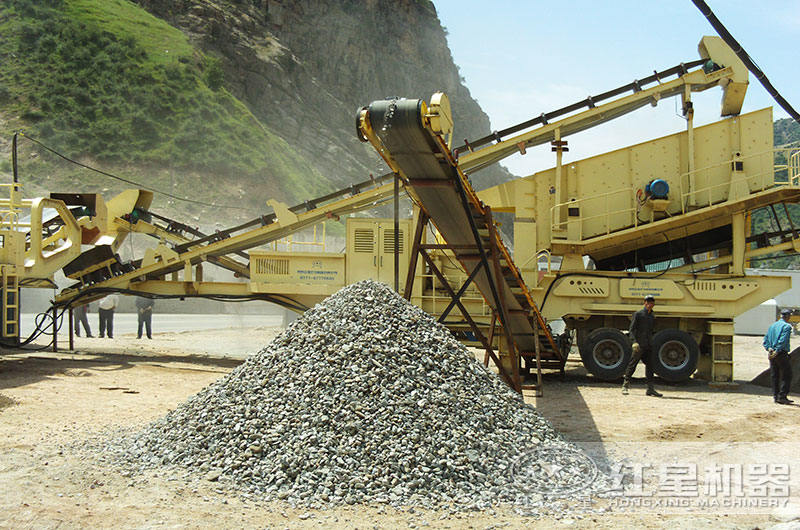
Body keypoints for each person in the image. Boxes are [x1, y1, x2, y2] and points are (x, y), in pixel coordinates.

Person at [622, 294, 663, 397]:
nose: (649, 304)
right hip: (639, 345)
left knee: (650, 366)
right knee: (632, 365)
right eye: (647, 302)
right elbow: (631, 330)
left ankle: (650, 389)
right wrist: (634, 342)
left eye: (651, 302)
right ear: (644, 303)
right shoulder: (638, 314)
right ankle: (625, 386)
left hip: (648, 345)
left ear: (653, 304)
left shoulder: (652, 316)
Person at [763, 308, 794, 405]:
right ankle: (782, 396)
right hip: (780, 353)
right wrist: (777, 350)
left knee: (775, 375)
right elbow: (783, 340)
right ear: (788, 316)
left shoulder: (773, 326)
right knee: (787, 375)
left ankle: (775, 396)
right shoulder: (787, 326)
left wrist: (769, 349)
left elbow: (766, 340)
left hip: (772, 353)